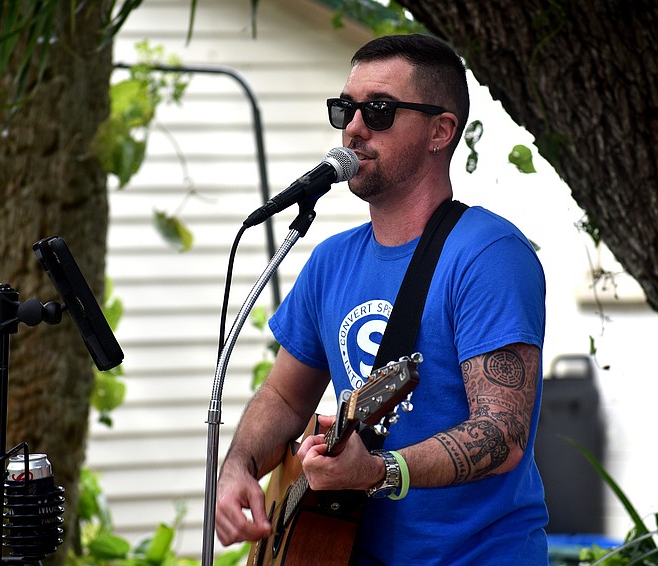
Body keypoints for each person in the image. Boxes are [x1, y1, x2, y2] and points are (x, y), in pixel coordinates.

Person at [215, 33, 548, 565]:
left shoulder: (489, 255)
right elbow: (284, 398)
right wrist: (238, 468)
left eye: (379, 110)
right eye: (346, 108)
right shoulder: (331, 260)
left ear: (441, 131)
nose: (354, 128)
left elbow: (501, 433)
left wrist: (380, 471)